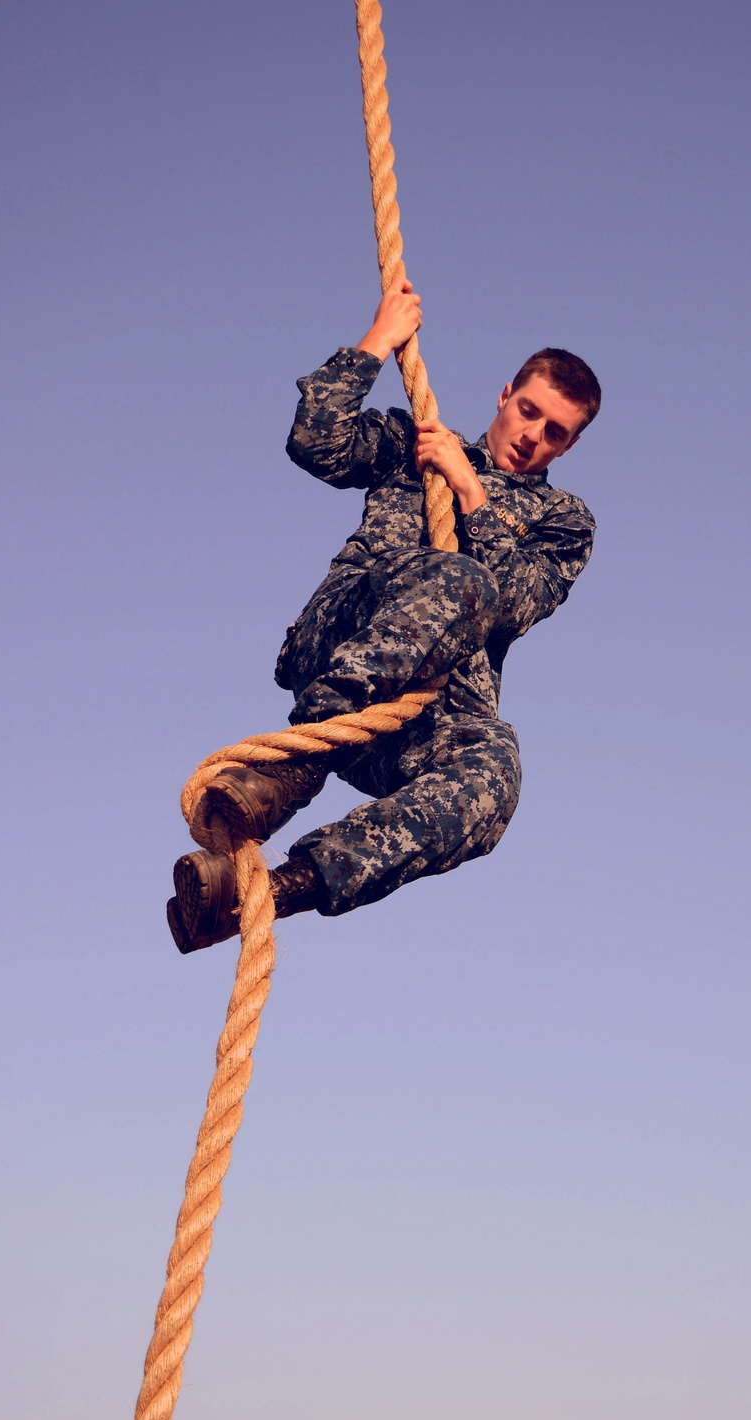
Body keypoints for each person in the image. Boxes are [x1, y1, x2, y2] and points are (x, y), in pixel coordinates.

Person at [167, 280, 600, 952]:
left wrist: (469, 487)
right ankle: (294, 769)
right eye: (528, 411)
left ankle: (266, 893)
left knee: (496, 774)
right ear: (504, 396)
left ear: (567, 447)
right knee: (459, 578)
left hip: (423, 715)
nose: (532, 435)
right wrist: (378, 341)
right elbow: (316, 441)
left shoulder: (563, 522)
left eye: (554, 432)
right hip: (343, 642)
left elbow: (517, 604)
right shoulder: (415, 442)